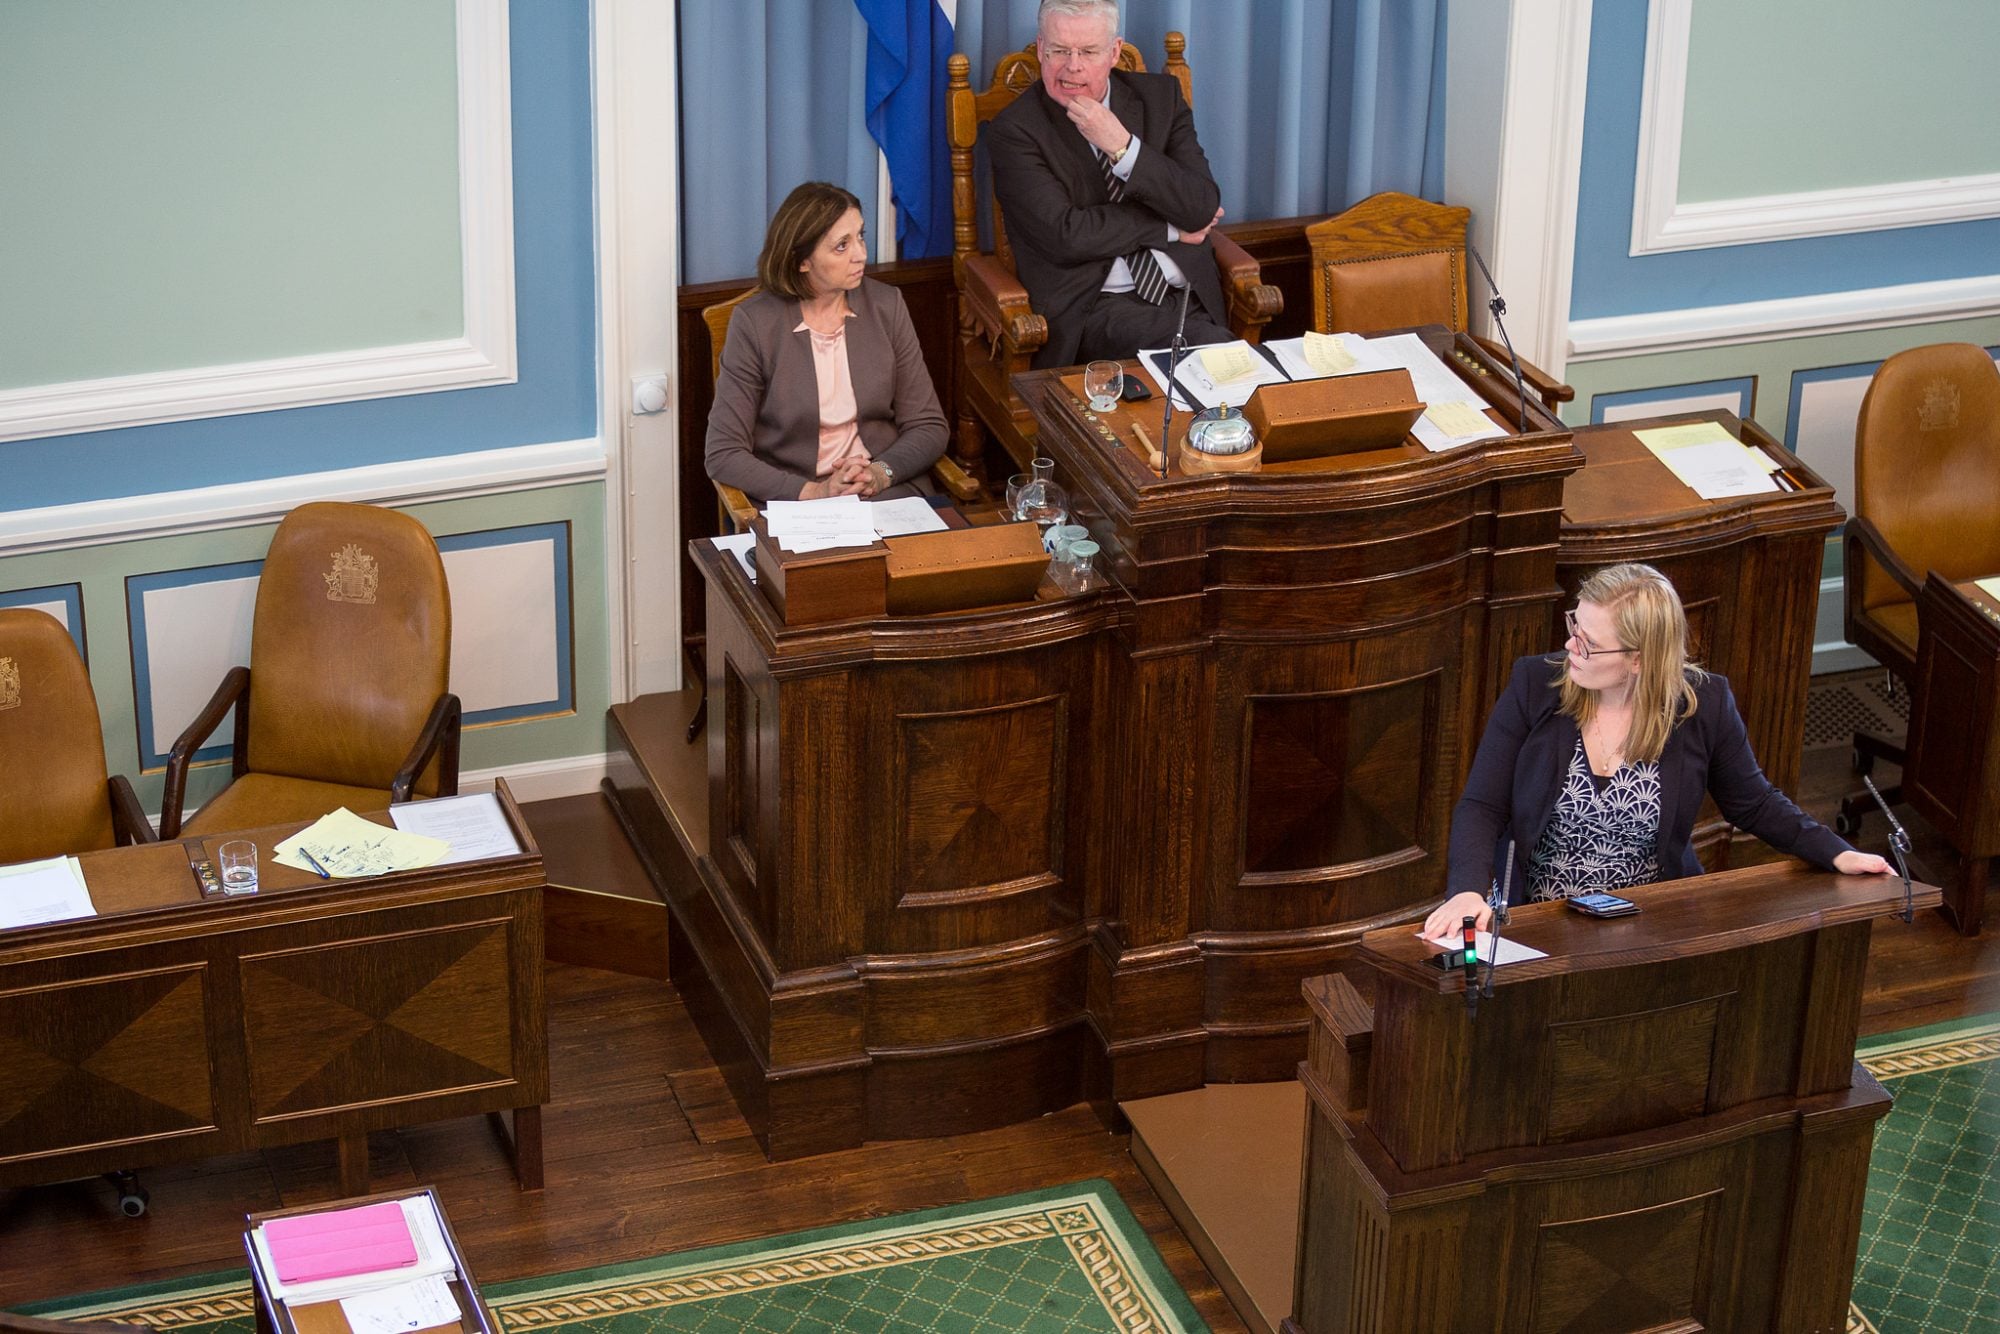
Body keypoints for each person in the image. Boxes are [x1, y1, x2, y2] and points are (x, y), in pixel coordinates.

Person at [1422, 563, 1890, 940]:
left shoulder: (1703, 705)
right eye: (1574, 626)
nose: (1571, 647)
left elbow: (1755, 803)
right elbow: (1482, 805)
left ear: (1639, 659)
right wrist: (1466, 891)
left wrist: (1837, 853)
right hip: (1538, 917)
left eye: (1589, 642)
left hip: (1650, 920)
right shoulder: (1534, 684)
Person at [985, 0, 1233, 369]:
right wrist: (1169, 229)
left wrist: (1124, 147)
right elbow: (1066, 235)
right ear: (1040, 48)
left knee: (1215, 374)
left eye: (1088, 51)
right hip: (1095, 308)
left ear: (1114, 52)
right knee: (1219, 359)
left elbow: (1199, 206)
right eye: (1058, 51)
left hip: (1188, 296)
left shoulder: (1161, 99)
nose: (1072, 66)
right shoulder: (1016, 131)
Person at [705, 182, 947, 504]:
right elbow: (723, 453)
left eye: (860, 236)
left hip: (885, 494)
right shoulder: (755, 323)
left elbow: (929, 426)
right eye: (841, 246)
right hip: (798, 503)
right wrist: (816, 492)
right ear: (802, 261)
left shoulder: (886, 305)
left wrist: (879, 473)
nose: (861, 254)